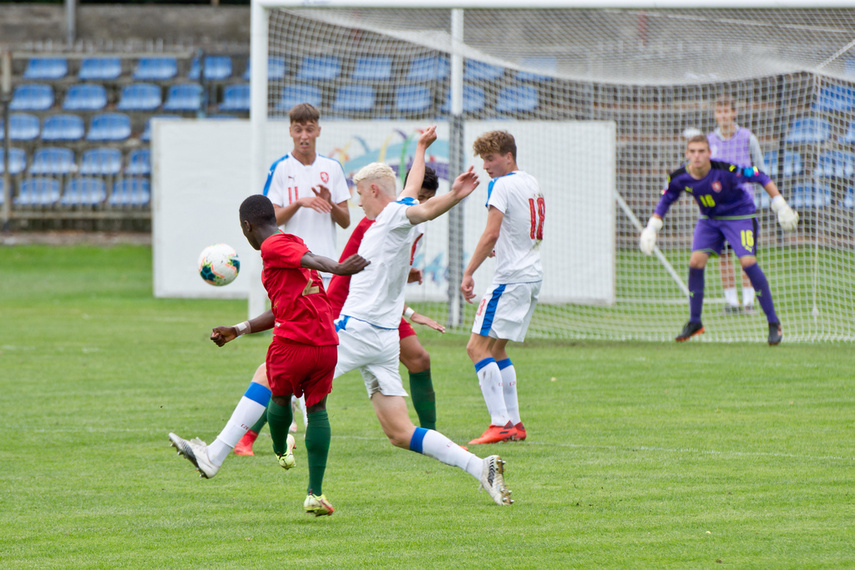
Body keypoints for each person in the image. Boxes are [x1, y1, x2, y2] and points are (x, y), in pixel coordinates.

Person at [333, 125, 512, 506]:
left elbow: (425, 207)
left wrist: (454, 195)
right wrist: (419, 147)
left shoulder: (393, 216)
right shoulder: (392, 212)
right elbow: (413, 192)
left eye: (361, 194)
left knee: (282, 371)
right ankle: (481, 466)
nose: (358, 202)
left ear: (375, 191)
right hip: (381, 337)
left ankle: (221, 451)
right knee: (400, 433)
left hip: (359, 328)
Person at [168, 194, 368, 517]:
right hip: (326, 344)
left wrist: (340, 268)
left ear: (247, 226)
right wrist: (239, 328)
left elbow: (311, 259)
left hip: (293, 343)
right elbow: (283, 304)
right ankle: (315, 493)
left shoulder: (273, 246)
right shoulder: (290, 241)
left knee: (278, 399)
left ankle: (279, 450)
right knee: (317, 410)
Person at [237, 102, 352, 452]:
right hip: (291, 268)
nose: (304, 135)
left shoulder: (332, 168)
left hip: (325, 275)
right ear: (290, 131)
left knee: (293, 359)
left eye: (310, 128)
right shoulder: (281, 169)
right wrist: (300, 203)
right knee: (293, 359)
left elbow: (345, 220)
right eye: (298, 129)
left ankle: (251, 434)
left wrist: (329, 204)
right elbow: (268, 220)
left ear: (318, 130)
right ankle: (250, 434)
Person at [639, 134, 799, 344]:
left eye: (701, 151)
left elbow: (760, 175)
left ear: (709, 153)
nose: (697, 156)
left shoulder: (726, 170)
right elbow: (666, 200)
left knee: (748, 263)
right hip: (710, 219)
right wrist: (651, 228)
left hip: (740, 216)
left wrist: (781, 205)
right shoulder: (679, 177)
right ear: (687, 154)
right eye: (693, 152)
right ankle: (695, 322)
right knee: (695, 262)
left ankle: (773, 322)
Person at [326, 166, 444, 431]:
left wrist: (405, 279)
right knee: (299, 370)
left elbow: (384, 277)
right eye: (420, 196)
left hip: (382, 311)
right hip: (346, 307)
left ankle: (430, 435)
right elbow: (363, 279)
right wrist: (411, 312)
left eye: (428, 199)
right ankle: (249, 434)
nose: (422, 203)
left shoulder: (412, 226)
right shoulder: (380, 220)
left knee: (419, 359)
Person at [460, 130, 544, 445]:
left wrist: (469, 272)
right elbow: (521, 226)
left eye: (491, 158)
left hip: (510, 279)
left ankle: (500, 424)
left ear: (508, 156)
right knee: (496, 349)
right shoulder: (530, 181)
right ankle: (515, 424)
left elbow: (491, 234)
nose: (486, 166)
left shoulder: (501, 185)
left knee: (475, 348)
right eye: (483, 159)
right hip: (532, 275)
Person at [708, 95, 769, 315]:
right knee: (723, 256)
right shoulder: (709, 142)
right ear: (715, 114)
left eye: (726, 111)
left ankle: (748, 303)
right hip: (718, 210)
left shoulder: (747, 138)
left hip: (743, 209)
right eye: (719, 111)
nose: (723, 116)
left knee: (746, 255)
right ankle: (732, 303)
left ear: (734, 113)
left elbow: (760, 170)